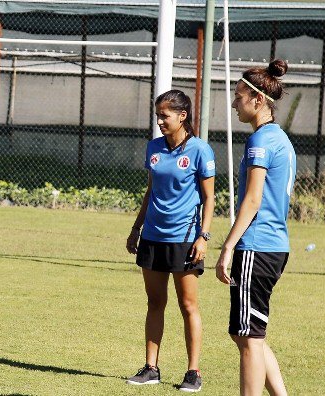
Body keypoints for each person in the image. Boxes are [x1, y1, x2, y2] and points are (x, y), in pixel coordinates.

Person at [125, 90, 216, 392]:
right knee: (155, 302)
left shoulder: (200, 150)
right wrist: (136, 228)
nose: (160, 122)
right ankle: (151, 368)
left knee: (188, 305)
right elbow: (150, 192)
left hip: (185, 240)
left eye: (164, 116)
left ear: (182, 116)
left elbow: (209, 198)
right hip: (152, 237)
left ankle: (193, 372)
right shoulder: (153, 147)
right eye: (158, 116)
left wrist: (203, 237)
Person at [215, 59, 296, 396]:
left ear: (258, 100)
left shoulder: (260, 141)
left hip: (257, 246)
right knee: (247, 332)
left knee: (249, 337)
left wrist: (228, 246)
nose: (235, 103)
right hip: (275, 247)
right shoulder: (280, 138)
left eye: (238, 97)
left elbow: (252, 200)